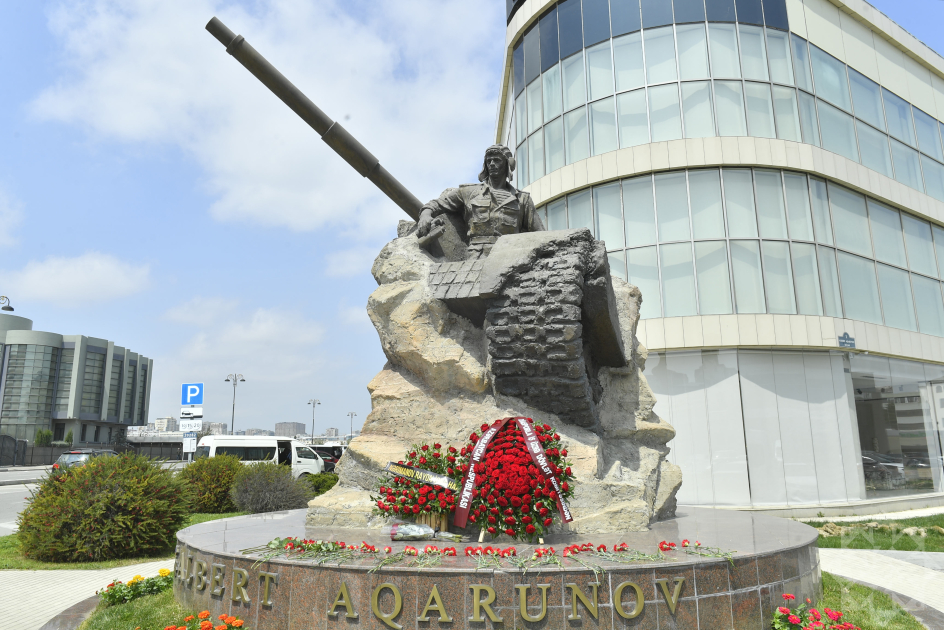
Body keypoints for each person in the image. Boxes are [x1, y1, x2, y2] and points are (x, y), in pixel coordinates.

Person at [416, 145, 545, 256]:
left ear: (508, 164)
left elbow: (541, 236)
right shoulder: (469, 192)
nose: (492, 164)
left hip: (510, 255)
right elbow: (436, 204)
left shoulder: (522, 199)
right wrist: (425, 215)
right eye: (489, 161)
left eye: (497, 160)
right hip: (477, 255)